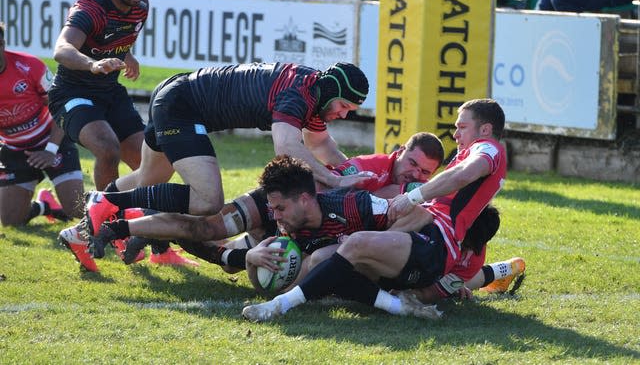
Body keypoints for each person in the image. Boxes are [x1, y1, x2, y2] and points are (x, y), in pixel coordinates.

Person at [241, 98, 507, 321]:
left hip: (437, 245)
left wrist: (413, 196)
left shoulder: (488, 148)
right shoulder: (462, 162)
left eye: (462, 127)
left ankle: (279, 306)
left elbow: (460, 176)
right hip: (423, 236)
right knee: (335, 259)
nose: (456, 134)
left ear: (484, 129)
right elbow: (426, 210)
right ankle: (398, 307)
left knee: (351, 246)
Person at [82, 61, 372, 240]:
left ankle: (84, 225)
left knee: (148, 179)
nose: (344, 115)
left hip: (176, 92)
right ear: (332, 93)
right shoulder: (300, 93)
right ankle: (105, 202)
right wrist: (335, 181)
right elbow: (286, 147)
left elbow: (321, 144)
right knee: (208, 201)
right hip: (182, 105)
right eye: (344, 107)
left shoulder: (315, 91)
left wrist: (351, 172)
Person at [80, 132, 445, 270]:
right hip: (283, 202)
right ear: (400, 153)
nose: (416, 175)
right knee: (209, 226)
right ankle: (123, 223)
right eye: (413, 163)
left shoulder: (406, 193)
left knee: (221, 256)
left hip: (301, 228)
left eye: (425, 173)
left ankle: (160, 231)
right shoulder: (367, 168)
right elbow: (321, 186)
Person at [48, 0, 150, 191]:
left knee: (150, 160)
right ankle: (103, 218)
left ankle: (136, 211)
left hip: (110, 92)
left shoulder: (141, 6)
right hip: (72, 94)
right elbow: (62, 49)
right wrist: (92, 65)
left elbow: (113, 35)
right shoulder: (91, 9)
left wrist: (128, 54)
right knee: (107, 149)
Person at [0, 22, 84, 227]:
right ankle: (43, 206)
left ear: (2, 44)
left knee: (77, 210)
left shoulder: (29, 66)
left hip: (51, 140)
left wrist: (50, 150)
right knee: (11, 221)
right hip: (14, 149)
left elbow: (61, 107)